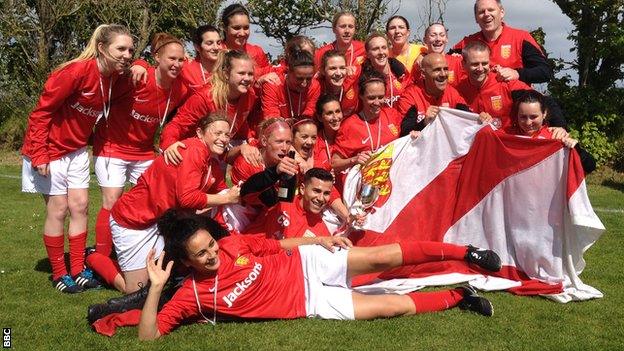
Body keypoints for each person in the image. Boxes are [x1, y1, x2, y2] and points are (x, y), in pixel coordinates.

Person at [134, 209, 501, 340]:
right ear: (187, 263)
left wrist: (321, 239)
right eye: (202, 254)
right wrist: (156, 289)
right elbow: (149, 336)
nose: (213, 253)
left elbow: (276, 246)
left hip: (308, 263)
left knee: (383, 257)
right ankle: (460, 297)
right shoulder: (191, 296)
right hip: (310, 302)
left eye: (211, 245)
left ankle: (467, 252)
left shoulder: (232, 246)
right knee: (390, 308)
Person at [21, 24, 134, 293]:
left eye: (131, 49)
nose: (127, 54)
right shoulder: (75, 72)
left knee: (81, 206)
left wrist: (139, 63)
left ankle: (78, 268)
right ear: (102, 48)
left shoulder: (114, 78)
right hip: (49, 149)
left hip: (76, 151)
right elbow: (41, 114)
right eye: (121, 48)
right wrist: (39, 153)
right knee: (59, 209)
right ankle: (60, 274)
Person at [87, 114, 241, 294]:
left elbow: (218, 193)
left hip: (160, 222)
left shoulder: (210, 162)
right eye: (218, 133)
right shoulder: (195, 150)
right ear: (200, 133)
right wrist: (226, 198)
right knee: (134, 290)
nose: (223, 139)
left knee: (162, 277)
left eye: (227, 135)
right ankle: (93, 258)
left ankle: (177, 269)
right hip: (134, 221)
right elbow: (188, 198)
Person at [91, 33, 188, 260]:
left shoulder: (181, 89)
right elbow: (109, 78)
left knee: (154, 200)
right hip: (112, 146)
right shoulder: (138, 78)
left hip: (144, 151)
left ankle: (150, 253)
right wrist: (138, 63)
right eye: (171, 58)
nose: (176, 64)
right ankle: (101, 258)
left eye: (181, 60)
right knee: (112, 199)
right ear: (156, 57)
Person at [159, 50, 261, 166]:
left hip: (218, 150)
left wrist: (248, 143)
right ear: (226, 74)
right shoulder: (205, 97)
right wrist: (169, 143)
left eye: (250, 74)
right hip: (189, 153)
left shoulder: (249, 96)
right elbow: (176, 125)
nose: (247, 78)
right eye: (241, 73)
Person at [456, 41, 566, 130]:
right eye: (475, 64)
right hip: (477, 148)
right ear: (464, 65)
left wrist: (560, 127)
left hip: (508, 146)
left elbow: (545, 101)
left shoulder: (505, 83)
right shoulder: (458, 90)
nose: (480, 69)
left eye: (484, 63)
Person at [451, 0, 551, 84]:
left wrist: (517, 74)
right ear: (476, 18)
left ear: (502, 12)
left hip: (514, 102)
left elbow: (544, 72)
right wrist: (453, 61)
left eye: (491, 10)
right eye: (481, 12)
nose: (486, 14)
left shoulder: (520, 38)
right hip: (477, 102)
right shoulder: (467, 43)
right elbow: (441, 64)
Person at [503, 91, 596, 174]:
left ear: (544, 114)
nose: (528, 122)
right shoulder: (505, 136)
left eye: (533, 117)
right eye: (523, 117)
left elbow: (590, 166)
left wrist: (576, 149)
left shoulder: (555, 137)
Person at [331, 71, 403, 173]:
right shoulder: (350, 125)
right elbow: (334, 163)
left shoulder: (393, 115)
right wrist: (354, 160)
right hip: (365, 184)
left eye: (381, 97)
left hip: (392, 180)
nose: (377, 102)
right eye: (371, 98)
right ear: (361, 95)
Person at [396, 53, 470, 135]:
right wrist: (425, 122)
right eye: (437, 70)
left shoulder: (452, 93)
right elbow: (404, 133)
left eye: (445, 69)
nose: (443, 74)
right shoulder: (410, 97)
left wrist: (481, 117)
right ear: (423, 74)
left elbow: (468, 118)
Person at [220, 3, 278, 84]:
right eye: (236, 28)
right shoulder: (215, 52)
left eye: (246, 28)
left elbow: (269, 75)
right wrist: (256, 82)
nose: (242, 33)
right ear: (224, 28)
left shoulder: (257, 52)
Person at [261, 50, 317, 120]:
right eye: (299, 79)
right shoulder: (273, 84)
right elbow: (271, 117)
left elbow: (310, 113)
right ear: (288, 72)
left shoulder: (315, 86)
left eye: (309, 79)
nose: (304, 84)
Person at [362, 33, 411, 108]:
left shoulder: (401, 72)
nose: (381, 52)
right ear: (368, 54)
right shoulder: (365, 79)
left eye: (384, 48)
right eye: (375, 49)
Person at [308, 50, 359, 117]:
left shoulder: (353, 81)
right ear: (323, 70)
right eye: (333, 68)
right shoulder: (316, 89)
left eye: (342, 68)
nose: (338, 73)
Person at [314, 11, 366, 76]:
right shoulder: (321, 53)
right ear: (334, 29)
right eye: (343, 26)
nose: (347, 31)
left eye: (350, 26)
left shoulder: (364, 49)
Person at [412, 23, 464, 87]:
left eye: (442, 35)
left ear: (447, 39)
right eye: (433, 35)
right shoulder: (418, 64)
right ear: (425, 40)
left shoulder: (457, 62)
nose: (438, 39)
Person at [180, 25, 223, 91]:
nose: (216, 47)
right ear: (197, 47)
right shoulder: (186, 71)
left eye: (218, 43)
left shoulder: (227, 70)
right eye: (209, 43)